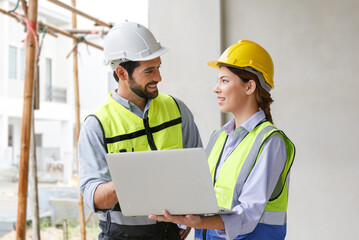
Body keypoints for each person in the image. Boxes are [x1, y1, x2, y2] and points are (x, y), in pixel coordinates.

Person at [149, 40, 295, 240]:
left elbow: (249, 214)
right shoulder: (219, 137)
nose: (216, 89)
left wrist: (200, 222)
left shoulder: (270, 141)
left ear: (250, 86)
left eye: (224, 81)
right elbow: (204, 196)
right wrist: (181, 214)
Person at [78, 22, 202, 240]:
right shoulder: (96, 125)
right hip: (121, 235)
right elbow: (94, 198)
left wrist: (191, 212)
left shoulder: (177, 110)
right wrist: (133, 176)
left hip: (169, 232)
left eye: (158, 68)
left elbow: (197, 170)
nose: (158, 77)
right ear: (122, 73)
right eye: (149, 71)